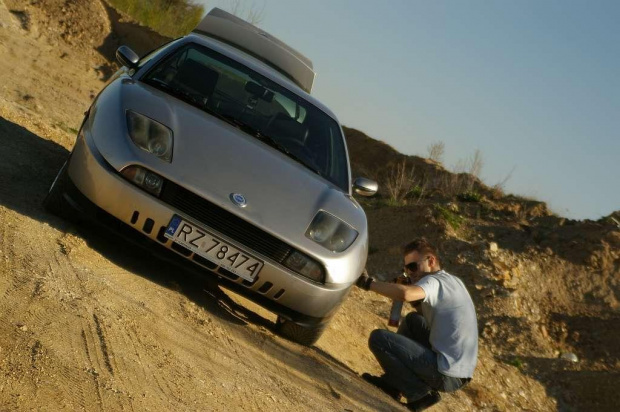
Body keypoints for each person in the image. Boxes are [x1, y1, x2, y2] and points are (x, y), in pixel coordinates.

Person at [356, 238, 478, 412]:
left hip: (446, 372)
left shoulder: (434, 281)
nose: (410, 273)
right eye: (406, 268)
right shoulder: (452, 281)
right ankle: (393, 385)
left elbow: (405, 294)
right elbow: (432, 315)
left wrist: (367, 283)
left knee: (379, 339)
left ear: (431, 261)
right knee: (413, 321)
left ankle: (419, 394)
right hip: (457, 371)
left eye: (413, 267)